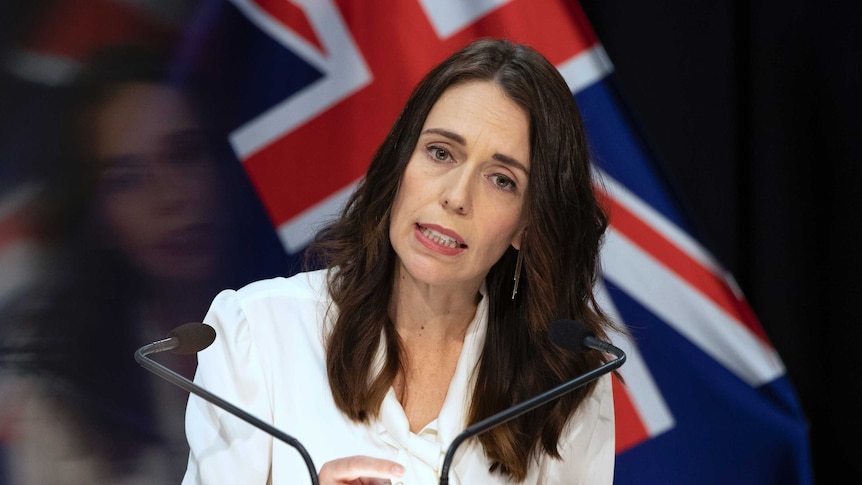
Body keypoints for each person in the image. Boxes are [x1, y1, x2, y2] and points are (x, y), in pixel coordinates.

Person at [183, 38, 618, 484]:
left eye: (502, 180)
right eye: (440, 152)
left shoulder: (565, 381)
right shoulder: (257, 333)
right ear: (399, 163)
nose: (456, 197)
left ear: (528, 225)